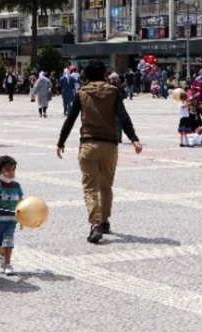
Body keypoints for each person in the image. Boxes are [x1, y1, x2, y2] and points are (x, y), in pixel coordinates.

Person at [57, 60, 142, 244]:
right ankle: (104, 221)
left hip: (88, 144)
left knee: (90, 188)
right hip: (110, 146)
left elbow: (70, 119)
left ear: (86, 75)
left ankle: (95, 225)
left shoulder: (82, 93)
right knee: (106, 187)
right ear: (104, 74)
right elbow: (123, 116)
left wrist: (61, 142)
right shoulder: (114, 92)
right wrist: (134, 138)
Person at [0, 155, 24, 276]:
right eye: (8, 170)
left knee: (8, 241)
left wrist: (23, 216)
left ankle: (8, 263)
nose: (11, 173)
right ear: (0, 172)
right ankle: (1, 254)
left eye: (13, 169)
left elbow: (20, 200)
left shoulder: (16, 186)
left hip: (11, 220)